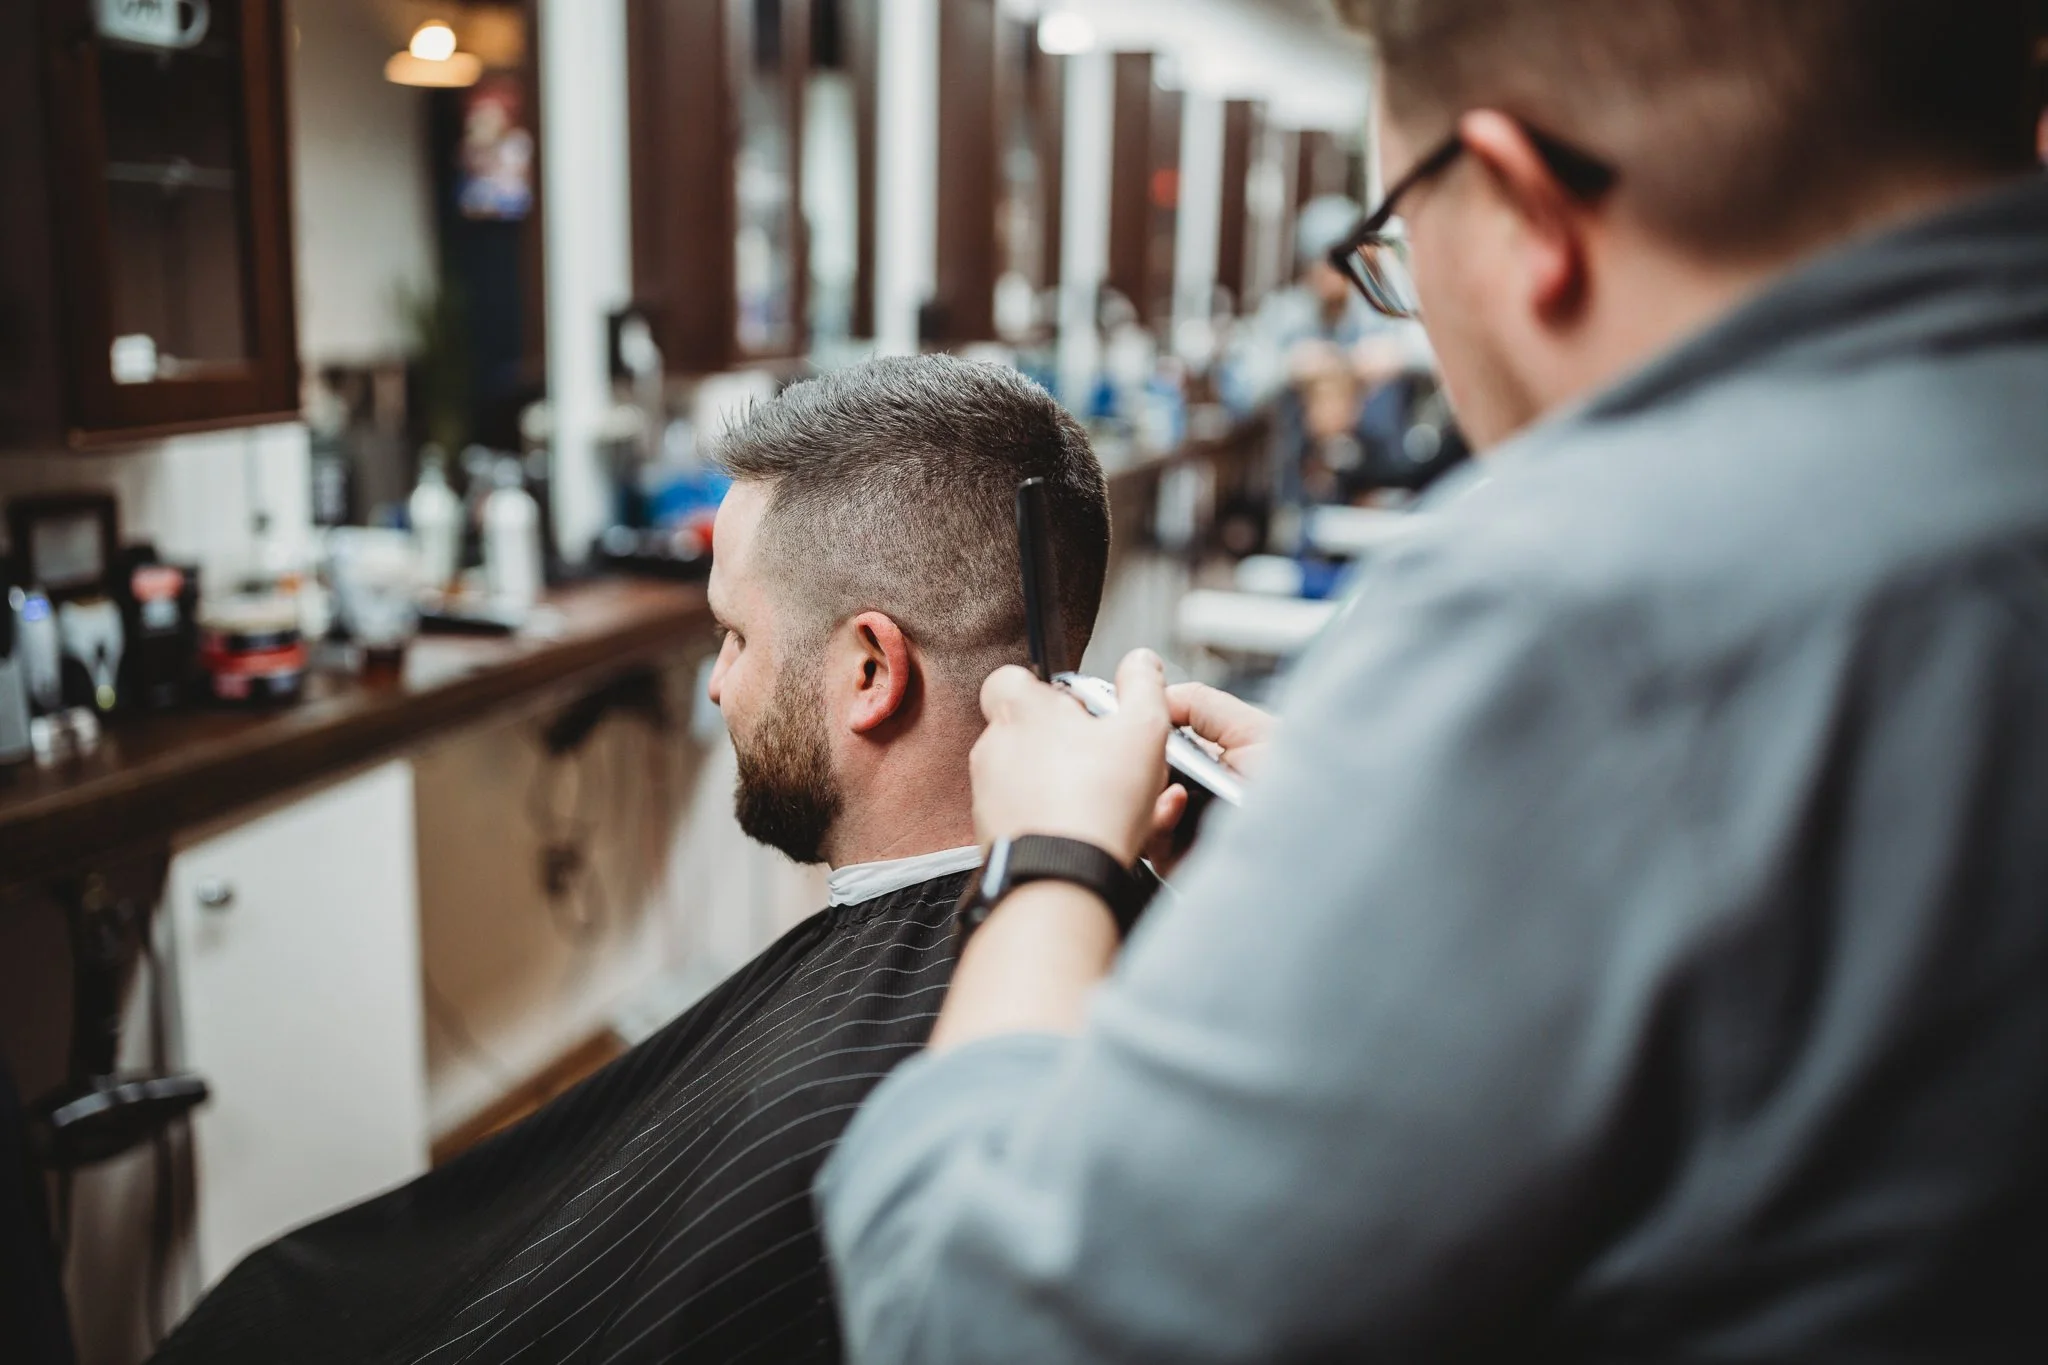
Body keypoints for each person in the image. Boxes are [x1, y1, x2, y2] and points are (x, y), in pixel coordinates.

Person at [817, 3, 2048, 1361]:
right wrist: (1387, 828)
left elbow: (978, 1324)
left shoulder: (1580, 606)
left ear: (1526, 208)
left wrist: (1047, 863)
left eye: (1394, 244)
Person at [146, 355, 1109, 1365]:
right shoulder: (1098, 931)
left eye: (733, 637)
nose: (716, 688)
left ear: (869, 671)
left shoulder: (856, 1108)